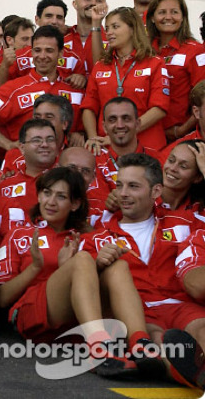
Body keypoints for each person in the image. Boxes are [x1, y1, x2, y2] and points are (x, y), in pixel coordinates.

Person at [0, 166, 164, 377]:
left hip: (75, 327)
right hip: (32, 319)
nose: (51, 201)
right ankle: (98, 349)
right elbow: (1, 299)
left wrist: (99, 264)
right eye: (47, 193)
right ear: (38, 195)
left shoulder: (89, 237)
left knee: (118, 265)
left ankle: (140, 343)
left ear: (75, 204)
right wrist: (35, 267)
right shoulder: (19, 234)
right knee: (83, 259)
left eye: (61, 196)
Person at [83, 153, 205, 386]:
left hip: (181, 304)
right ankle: (191, 375)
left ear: (156, 192)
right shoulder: (97, 239)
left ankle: (187, 371)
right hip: (138, 311)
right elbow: (84, 287)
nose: (123, 193)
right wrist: (97, 264)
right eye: (119, 185)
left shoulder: (186, 222)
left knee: (202, 327)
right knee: (156, 339)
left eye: (133, 186)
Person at [0, 25, 83, 154]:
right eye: (37, 50)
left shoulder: (75, 89)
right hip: (25, 166)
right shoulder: (14, 87)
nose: (42, 56)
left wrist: (80, 134)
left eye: (49, 50)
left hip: (63, 167)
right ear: (31, 52)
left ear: (60, 53)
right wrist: (8, 144)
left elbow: (83, 126)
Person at [82, 7, 169, 151]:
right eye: (107, 28)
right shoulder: (101, 66)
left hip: (146, 147)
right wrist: (93, 138)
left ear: (132, 29)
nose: (109, 32)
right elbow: (89, 107)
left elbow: (159, 108)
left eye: (115, 27)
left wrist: (125, 133)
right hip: (107, 146)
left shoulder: (155, 62)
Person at [145, 0, 204, 143]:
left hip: (180, 137)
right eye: (162, 12)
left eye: (175, 12)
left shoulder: (196, 50)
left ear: (183, 17)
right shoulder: (143, 51)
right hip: (145, 132)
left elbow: (202, 97)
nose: (168, 17)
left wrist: (182, 130)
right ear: (152, 17)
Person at [0, 119, 59, 212]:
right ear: (22, 148)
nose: (45, 144)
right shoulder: (6, 185)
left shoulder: (68, 179)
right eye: (37, 140)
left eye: (50, 140)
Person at [64, 0, 108, 72]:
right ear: (75, 4)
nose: (93, 3)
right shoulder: (61, 39)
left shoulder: (112, 39)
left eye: (99, 0)